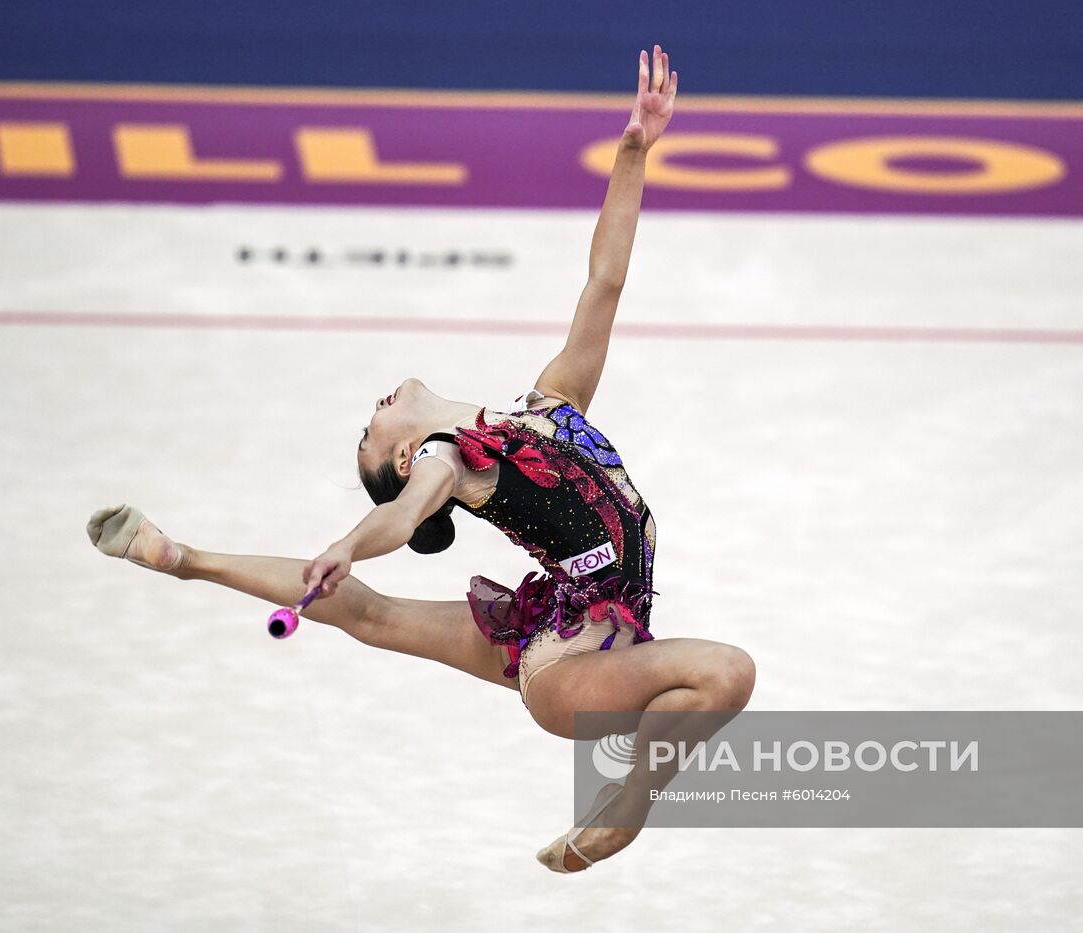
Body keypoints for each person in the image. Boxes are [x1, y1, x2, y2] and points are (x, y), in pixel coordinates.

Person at [87, 44, 755, 873]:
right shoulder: (451, 460)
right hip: (571, 661)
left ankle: (182, 558)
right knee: (727, 671)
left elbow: (603, 285)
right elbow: (402, 516)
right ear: (406, 455)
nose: (374, 409)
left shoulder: (548, 410)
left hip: (586, 631)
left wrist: (632, 152)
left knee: (374, 617)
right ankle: (622, 814)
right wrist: (349, 543)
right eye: (370, 431)